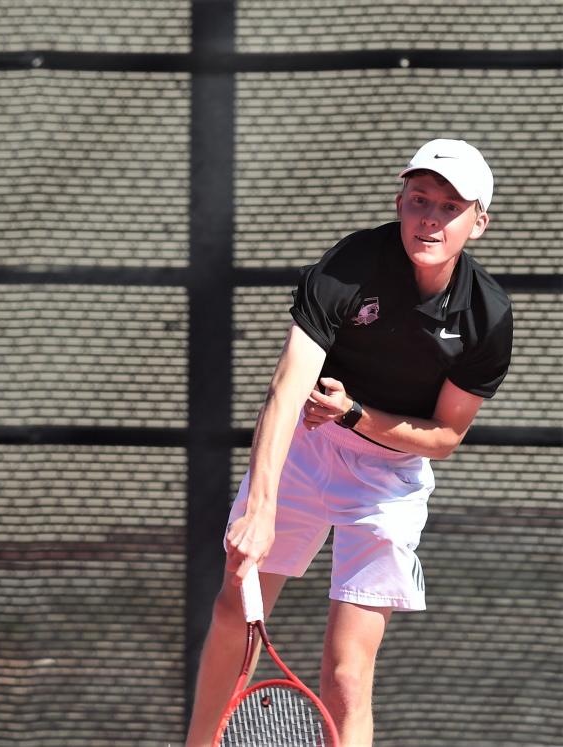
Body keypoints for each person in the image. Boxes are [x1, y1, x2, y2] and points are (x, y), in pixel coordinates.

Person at [185, 139, 513, 747]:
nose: (430, 218)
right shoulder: (351, 264)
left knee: (345, 676)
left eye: (450, 206)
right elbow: (287, 389)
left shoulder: (486, 316)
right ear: (400, 202)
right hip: (305, 451)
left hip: (389, 479)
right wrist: (260, 508)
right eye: (419, 200)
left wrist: (355, 414)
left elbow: (443, 438)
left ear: (479, 222)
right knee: (235, 611)